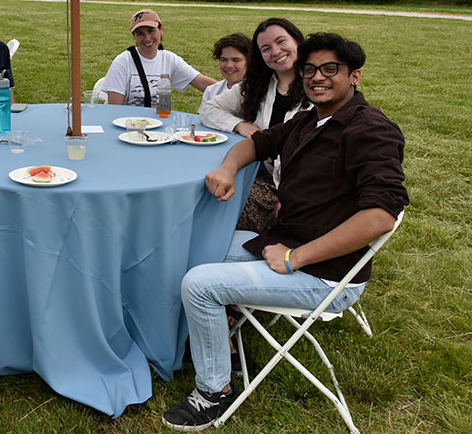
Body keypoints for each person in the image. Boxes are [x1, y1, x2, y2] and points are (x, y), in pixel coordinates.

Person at [162, 33, 408, 431]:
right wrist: (227, 169)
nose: (317, 77)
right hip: (284, 243)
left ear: (355, 76)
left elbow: (379, 216)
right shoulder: (309, 119)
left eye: (331, 69)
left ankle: (214, 391)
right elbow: (258, 144)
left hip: (326, 273)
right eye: (310, 70)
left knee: (199, 284)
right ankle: (214, 341)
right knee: (194, 246)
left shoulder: (371, 130)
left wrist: (298, 257)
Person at [200, 18, 311, 233]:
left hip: (292, 188)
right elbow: (209, 109)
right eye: (266, 48)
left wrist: (288, 196)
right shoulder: (257, 85)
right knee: (206, 189)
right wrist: (239, 124)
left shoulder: (316, 86)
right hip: (254, 173)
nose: (276, 51)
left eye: (281, 42)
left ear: (297, 41)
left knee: (219, 208)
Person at [102, 8, 215, 107]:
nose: (147, 39)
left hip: (155, 124)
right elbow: (114, 109)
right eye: (140, 33)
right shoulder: (123, 62)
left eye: (151, 31)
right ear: (135, 37)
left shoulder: (169, 59)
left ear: (161, 30)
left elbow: (203, 83)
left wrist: (231, 90)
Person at [198, 33, 249, 111]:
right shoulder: (211, 91)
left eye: (236, 60)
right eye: (223, 60)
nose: (229, 65)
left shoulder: (259, 92)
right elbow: (202, 120)